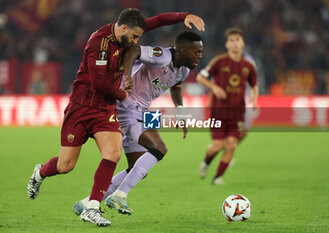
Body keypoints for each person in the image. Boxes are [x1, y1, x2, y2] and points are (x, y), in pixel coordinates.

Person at [26, 8, 205, 227]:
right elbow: (101, 82)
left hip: (115, 108)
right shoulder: (99, 44)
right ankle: (42, 173)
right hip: (88, 107)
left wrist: (183, 16)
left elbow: (156, 23)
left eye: (139, 36)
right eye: (135, 37)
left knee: (129, 161)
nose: (136, 41)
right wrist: (125, 85)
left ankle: (91, 205)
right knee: (65, 165)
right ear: (122, 28)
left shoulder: (180, 68)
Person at [72, 31, 203, 216]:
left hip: (143, 109)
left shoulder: (184, 70)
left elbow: (176, 86)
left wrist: (180, 112)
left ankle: (88, 202)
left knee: (139, 167)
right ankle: (119, 196)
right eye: (196, 52)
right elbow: (133, 50)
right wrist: (127, 75)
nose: (200, 56)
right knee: (159, 148)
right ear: (182, 50)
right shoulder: (162, 55)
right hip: (128, 105)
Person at [197, 27, 258, 185]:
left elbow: (254, 84)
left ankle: (217, 177)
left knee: (231, 146)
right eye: (232, 40)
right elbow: (200, 77)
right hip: (219, 112)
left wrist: (255, 98)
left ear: (242, 43)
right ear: (227, 44)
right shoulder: (219, 61)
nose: (235, 43)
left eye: (238, 40)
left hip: (237, 113)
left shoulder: (248, 66)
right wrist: (214, 87)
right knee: (217, 147)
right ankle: (206, 161)